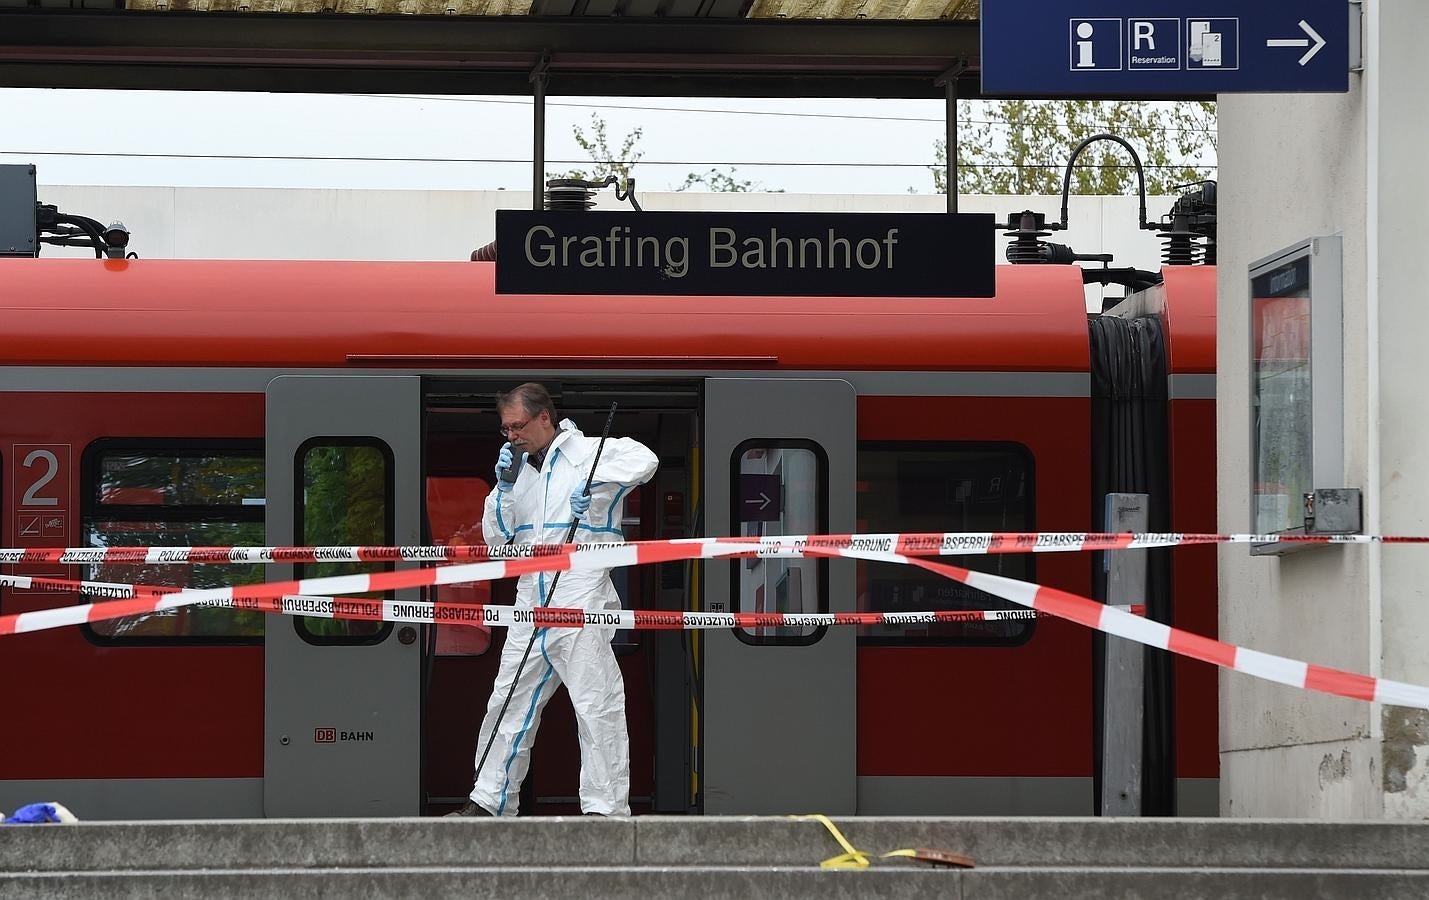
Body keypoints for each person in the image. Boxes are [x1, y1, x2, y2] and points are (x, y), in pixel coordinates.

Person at [448, 383, 658, 818]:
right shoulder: (518, 475)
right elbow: (496, 539)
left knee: (595, 705)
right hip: (531, 602)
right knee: (507, 700)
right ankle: (489, 802)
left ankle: (605, 812)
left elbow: (646, 460)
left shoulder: (589, 452)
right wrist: (503, 488)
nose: (511, 436)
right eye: (505, 429)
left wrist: (598, 487)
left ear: (545, 417)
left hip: (580, 598)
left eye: (517, 426)